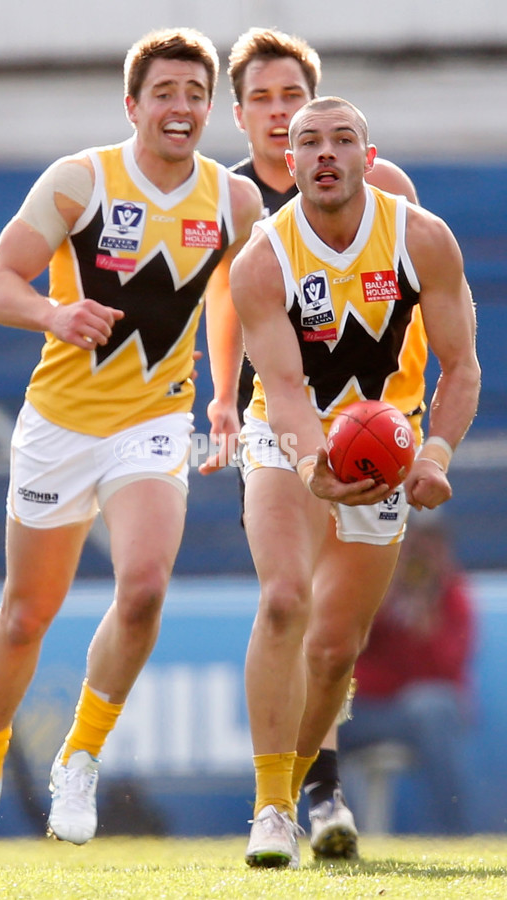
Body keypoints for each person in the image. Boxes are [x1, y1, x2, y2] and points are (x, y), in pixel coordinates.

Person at [0, 27, 262, 870]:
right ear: (134, 105)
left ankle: (78, 757)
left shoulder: (233, 203)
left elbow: (233, 294)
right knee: (23, 618)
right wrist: (53, 314)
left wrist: (225, 394)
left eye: (196, 92)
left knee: (146, 587)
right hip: (59, 422)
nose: (181, 107)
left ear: (209, 109)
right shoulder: (81, 181)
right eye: (165, 92)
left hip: (153, 419)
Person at [227, 96, 480, 868]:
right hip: (286, 437)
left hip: (387, 449)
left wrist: (433, 456)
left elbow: (462, 367)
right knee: (283, 601)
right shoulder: (263, 259)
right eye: (310, 143)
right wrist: (311, 466)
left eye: (343, 140)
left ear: (369, 159)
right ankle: (271, 811)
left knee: (336, 651)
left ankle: (303, 787)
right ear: (290, 163)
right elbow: (284, 388)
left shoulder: (422, 239)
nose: (326, 153)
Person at [204, 27, 420, 861]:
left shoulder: (383, 188)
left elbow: (416, 296)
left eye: (291, 94)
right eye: (260, 97)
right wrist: (223, 399)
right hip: (281, 416)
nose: (277, 109)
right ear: (243, 115)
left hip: (378, 429)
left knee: (336, 635)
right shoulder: (235, 206)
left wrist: (417, 437)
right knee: (288, 598)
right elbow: (229, 308)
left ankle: (318, 782)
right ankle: (288, 800)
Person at [340, 512, 476, 834]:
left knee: (430, 706)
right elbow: (346, 651)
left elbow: (449, 673)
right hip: (369, 709)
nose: (421, 556)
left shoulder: (454, 596)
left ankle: (453, 834)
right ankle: (342, 831)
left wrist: (426, 620)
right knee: (326, 713)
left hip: (422, 714)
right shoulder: (374, 585)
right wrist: (383, 600)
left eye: (432, 546)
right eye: (415, 544)